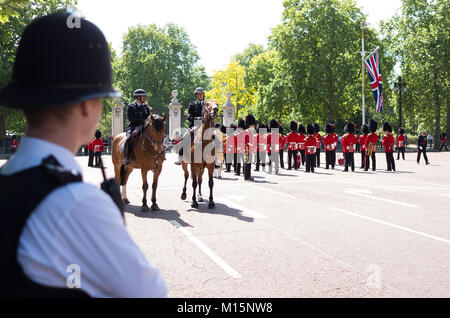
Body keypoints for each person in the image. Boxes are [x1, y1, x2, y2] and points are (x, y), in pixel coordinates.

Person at [0, 12, 166, 297]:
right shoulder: (77, 202)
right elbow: (150, 292)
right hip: (134, 130)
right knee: (129, 140)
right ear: (87, 105)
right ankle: (127, 155)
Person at [175, 87, 205, 165]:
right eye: (199, 94)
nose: (200, 95)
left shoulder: (206, 105)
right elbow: (189, 116)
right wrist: (197, 119)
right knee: (185, 137)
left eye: (201, 94)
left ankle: (216, 159)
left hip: (204, 125)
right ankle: (180, 156)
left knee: (216, 137)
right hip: (194, 125)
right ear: (196, 95)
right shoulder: (192, 104)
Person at [124, 89, 151, 165]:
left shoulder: (146, 107)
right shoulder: (131, 106)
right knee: (128, 138)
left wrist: (145, 122)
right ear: (138, 97)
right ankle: (126, 157)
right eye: (143, 97)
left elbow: (148, 117)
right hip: (133, 126)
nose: (145, 98)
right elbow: (131, 118)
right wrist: (142, 121)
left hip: (144, 126)